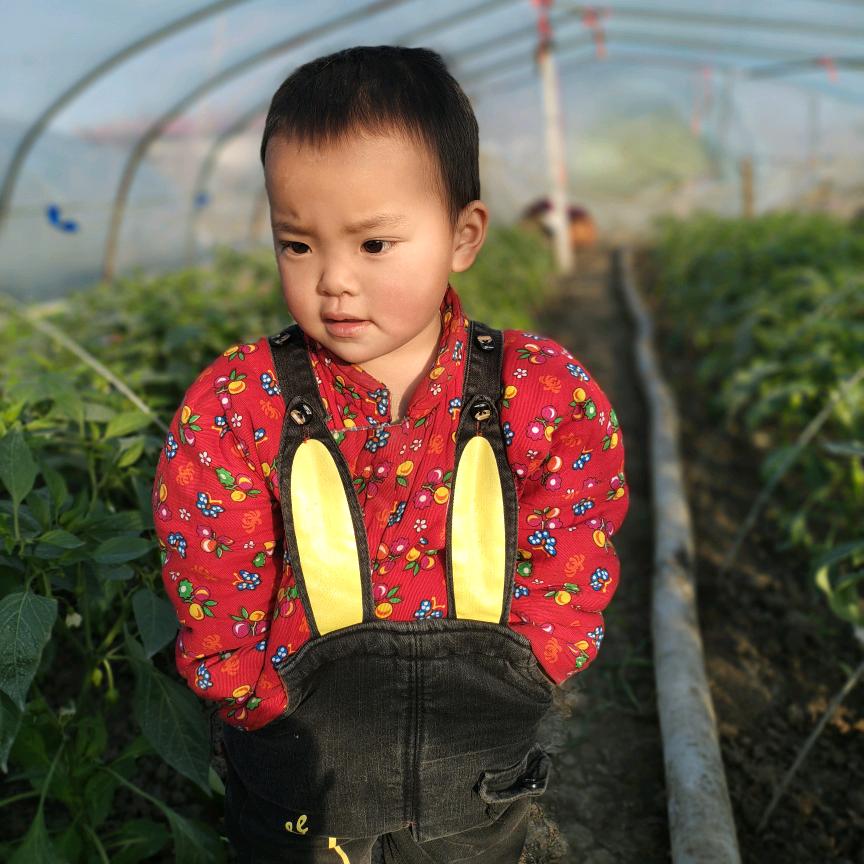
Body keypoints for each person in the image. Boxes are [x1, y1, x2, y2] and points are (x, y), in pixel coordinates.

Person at [152, 45, 629, 864]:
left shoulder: (539, 390)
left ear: (464, 235)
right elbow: (212, 569)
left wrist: (540, 659)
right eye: (297, 245)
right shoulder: (239, 403)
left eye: (373, 245)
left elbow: (575, 529)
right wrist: (246, 694)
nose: (333, 280)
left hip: (478, 757)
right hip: (302, 759)